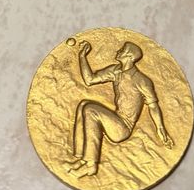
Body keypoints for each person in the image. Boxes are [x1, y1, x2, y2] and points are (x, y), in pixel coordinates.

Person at [66, 39, 173, 179]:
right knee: (83, 104)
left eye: (122, 50)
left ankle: (91, 165)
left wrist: (160, 128)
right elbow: (89, 80)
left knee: (90, 110)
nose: (118, 51)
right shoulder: (116, 71)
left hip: (123, 128)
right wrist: (82, 56)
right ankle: (83, 158)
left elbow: (153, 105)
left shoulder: (142, 80)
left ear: (130, 57)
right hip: (115, 120)